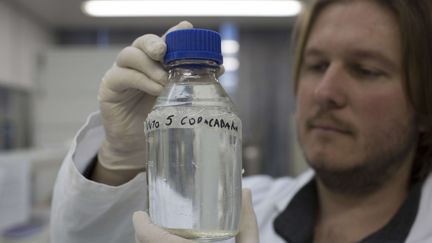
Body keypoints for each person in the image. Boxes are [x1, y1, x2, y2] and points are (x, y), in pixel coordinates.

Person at [50, 0, 432, 242]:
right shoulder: (244, 205)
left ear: (425, 107)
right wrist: (118, 161)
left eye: (365, 70)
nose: (324, 92)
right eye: (316, 65)